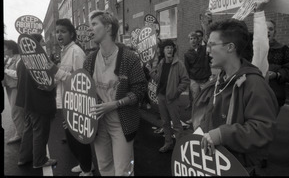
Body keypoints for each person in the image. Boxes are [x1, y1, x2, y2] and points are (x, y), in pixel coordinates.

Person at [192, 19, 278, 176]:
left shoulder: (254, 84)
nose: (207, 50)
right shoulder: (219, 80)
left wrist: (222, 135)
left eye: (212, 45)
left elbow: (263, 130)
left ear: (230, 47)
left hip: (240, 168)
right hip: (215, 164)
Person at [86, 10, 147, 176]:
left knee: (123, 170)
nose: (89, 29)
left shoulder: (129, 58)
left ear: (108, 27)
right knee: (104, 167)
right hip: (98, 123)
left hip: (122, 122)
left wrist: (115, 104)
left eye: (94, 24)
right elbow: (83, 90)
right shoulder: (90, 59)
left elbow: (140, 90)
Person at [48, 18, 93, 176]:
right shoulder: (64, 51)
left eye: (63, 31)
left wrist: (56, 71)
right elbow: (63, 76)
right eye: (57, 31)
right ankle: (85, 164)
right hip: (65, 101)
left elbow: (81, 80)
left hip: (76, 103)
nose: (59, 34)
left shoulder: (76, 51)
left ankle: (87, 169)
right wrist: (51, 81)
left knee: (78, 139)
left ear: (72, 34)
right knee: (72, 139)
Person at [16, 34, 57, 169]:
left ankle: (24, 158)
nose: (43, 43)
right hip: (40, 102)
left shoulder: (22, 60)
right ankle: (40, 160)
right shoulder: (39, 59)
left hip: (26, 102)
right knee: (40, 132)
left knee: (29, 130)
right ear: (36, 44)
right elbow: (48, 83)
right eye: (41, 41)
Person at [148, 39, 190, 153]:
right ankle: (168, 143)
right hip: (161, 97)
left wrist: (176, 92)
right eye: (167, 47)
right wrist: (151, 71)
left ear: (173, 49)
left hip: (173, 99)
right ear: (163, 50)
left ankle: (180, 147)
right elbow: (159, 80)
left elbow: (185, 80)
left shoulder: (179, 64)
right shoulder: (161, 63)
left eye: (171, 47)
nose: (169, 49)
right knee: (165, 122)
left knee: (176, 124)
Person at [266, 19, 289, 109]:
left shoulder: (283, 49)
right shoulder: (253, 49)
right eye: (264, 28)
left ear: (274, 32)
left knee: (269, 122)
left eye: (270, 29)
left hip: (275, 94)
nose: (267, 31)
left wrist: (277, 74)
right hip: (255, 95)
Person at [184, 31, 211, 123]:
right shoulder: (187, 54)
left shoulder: (204, 49)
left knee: (206, 100)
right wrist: (188, 82)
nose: (193, 41)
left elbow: (209, 43)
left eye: (194, 38)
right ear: (189, 41)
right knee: (195, 101)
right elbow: (187, 69)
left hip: (205, 79)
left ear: (198, 40)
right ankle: (194, 118)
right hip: (194, 80)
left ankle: (207, 118)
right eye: (191, 39)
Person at [3, 40, 25, 144]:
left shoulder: (19, 58)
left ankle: (20, 134)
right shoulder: (7, 59)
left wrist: (5, 70)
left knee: (16, 112)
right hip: (9, 87)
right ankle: (21, 132)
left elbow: (18, 74)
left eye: (5, 48)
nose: (4, 50)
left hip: (16, 87)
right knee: (17, 111)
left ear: (11, 48)